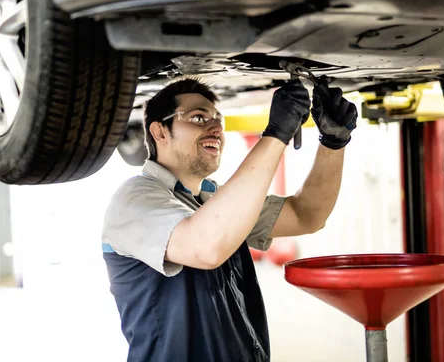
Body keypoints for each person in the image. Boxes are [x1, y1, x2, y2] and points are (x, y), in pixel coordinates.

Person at [102, 70, 358, 362]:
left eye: (217, 121)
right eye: (199, 118)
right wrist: (276, 134)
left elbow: (306, 215)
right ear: (160, 132)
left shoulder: (214, 201)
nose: (214, 129)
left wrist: (333, 143)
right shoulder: (134, 201)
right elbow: (206, 248)